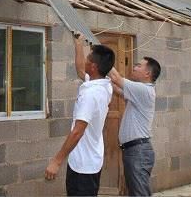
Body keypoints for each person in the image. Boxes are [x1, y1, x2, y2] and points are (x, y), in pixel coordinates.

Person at [45, 34, 114, 197]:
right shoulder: (104, 85)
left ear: (94, 66)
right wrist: (78, 45)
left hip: (84, 166)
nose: (86, 61)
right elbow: (80, 70)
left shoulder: (91, 95)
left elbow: (77, 131)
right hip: (86, 160)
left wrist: (56, 161)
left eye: (88, 58)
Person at [109, 57, 161, 196]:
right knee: (136, 193)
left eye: (139, 66)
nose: (134, 67)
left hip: (138, 152)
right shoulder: (140, 91)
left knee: (139, 194)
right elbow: (116, 87)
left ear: (147, 74)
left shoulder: (143, 89)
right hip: (135, 151)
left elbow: (115, 77)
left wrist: (102, 54)